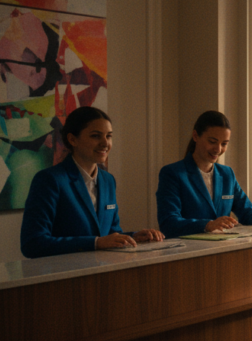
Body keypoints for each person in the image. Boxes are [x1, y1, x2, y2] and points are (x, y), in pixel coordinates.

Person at [20, 107, 164, 258]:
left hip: (101, 274)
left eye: (109, 136)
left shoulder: (108, 180)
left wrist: (133, 237)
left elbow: (109, 234)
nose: (105, 143)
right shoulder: (49, 180)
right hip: (64, 276)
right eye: (96, 136)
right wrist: (95, 243)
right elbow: (32, 244)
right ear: (72, 139)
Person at [156, 111, 252, 238]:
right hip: (188, 252)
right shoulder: (172, 173)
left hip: (223, 250)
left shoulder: (227, 174)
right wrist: (207, 225)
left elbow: (246, 210)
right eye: (212, 141)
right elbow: (168, 223)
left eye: (224, 144)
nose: (218, 149)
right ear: (195, 136)